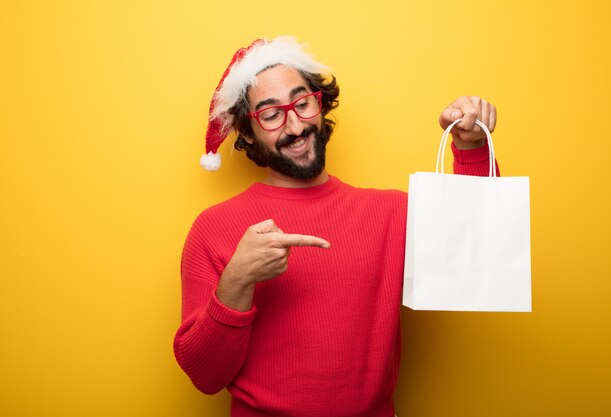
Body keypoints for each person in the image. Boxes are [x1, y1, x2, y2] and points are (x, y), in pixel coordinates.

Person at [173, 36, 499, 417]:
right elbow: (204, 377)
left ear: (319, 103)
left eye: (302, 102)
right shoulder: (213, 228)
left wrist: (473, 146)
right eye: (271, 113)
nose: (295, 125)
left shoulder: (392, 212)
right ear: (247, 132)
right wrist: (235, 284)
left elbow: (477, 255)